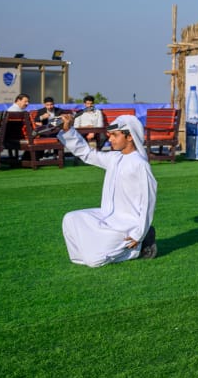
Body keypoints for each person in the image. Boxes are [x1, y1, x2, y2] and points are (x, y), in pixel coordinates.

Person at [56, 113, 157, 266]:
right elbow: (87, 154)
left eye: (115, 136)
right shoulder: (114, 158)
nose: (110, 139)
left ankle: (141, 244)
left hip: (129, 224)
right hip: (107, 217)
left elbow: (148, 202)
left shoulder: (140, 164)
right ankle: (100, 248)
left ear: (129, 137)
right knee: (71, 218)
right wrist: (69, 129)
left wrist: (138, 233)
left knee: (94, 261)